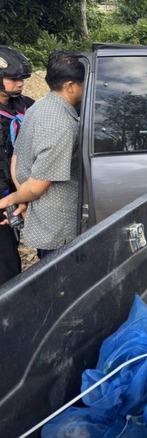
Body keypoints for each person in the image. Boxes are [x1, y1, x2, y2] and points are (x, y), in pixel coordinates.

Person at [0, 50, 85, 258]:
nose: (19, 83)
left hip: (41, 215)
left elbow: (16, 157)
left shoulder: (37, 106)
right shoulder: (61, 124)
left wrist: (23, 195)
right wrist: (13, 198)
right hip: (57, 227)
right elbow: (37, 186)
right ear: (70, 86)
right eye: (84, 83)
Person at [0, 46, 33, 283]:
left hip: (21, 192)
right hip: (3, 196)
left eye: (22, 79)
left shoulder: (25, 106)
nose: (20, 83)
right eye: (13, 79)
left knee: (12, 260)